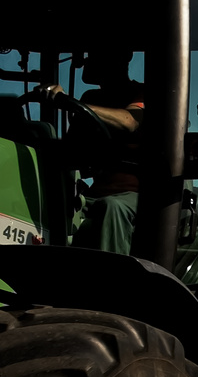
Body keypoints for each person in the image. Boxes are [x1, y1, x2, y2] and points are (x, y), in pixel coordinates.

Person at [42, 51, 145, 254]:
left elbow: (129, 121)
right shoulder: (91, 97)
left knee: (112, 208)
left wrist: (69, 102)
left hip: (137, 195)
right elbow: (71, 154)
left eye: (95, 52)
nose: (87, 61)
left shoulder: (142, 92)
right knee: (50, 204)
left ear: (122, 57)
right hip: (95, 194)